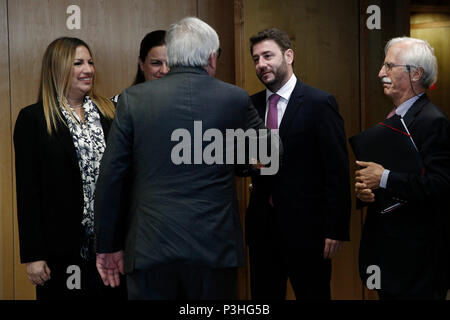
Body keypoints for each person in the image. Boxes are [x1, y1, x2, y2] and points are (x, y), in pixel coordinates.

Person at [94, 17, 269, 300]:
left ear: (172, 55)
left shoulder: (133, 100)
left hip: (150, 247)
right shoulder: (234, 98)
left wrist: (107, 245)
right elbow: (270, 154)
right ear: (211, 57)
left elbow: (112, 177)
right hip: (214, 249)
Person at [13, 37, 126, 300]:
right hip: (60, 252)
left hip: (110, 248)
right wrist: (34, 255)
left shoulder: (112, 112)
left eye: (90, 62)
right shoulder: (34, 119)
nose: (88, 69)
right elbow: (28, 192)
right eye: (78, 63)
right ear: (57, 69)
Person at [245, 28, 351, 300]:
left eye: (268, 55)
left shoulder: (319, 103)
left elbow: (337, 170)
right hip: (263, 232)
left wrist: (335, 228)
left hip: (309, 232)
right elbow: (241, 163)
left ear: (288, 55)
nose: (261, 65)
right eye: (256, 59)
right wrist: (248, 163)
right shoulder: (251, 106)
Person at [355, 37, 450, 299]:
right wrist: (367, 192)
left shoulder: (433, 122)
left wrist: (383, 178)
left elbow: (440, 186)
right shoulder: (395, 117)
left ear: (415, 73)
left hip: (417, 264)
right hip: (390, 257)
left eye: (389, 66)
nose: (380, 73)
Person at [112, 30, 168, 103]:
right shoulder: (119, 104)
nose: (164, 70)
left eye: (170, 63)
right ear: (141, 64)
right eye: (156, 63)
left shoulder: (186, 103)